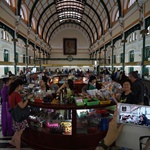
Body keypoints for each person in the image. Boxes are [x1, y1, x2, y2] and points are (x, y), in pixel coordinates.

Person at [8, 79, 33, 150]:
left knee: (17, 130)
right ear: (18, 86)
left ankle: (12, 142)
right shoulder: (17, 95)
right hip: (20, 116)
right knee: (19, 133)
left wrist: (23, 95)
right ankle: (18, 148)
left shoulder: (12, 93)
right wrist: (27, 99)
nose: (22, 87)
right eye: (22, 86)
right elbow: (22, 106)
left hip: (15, 115)